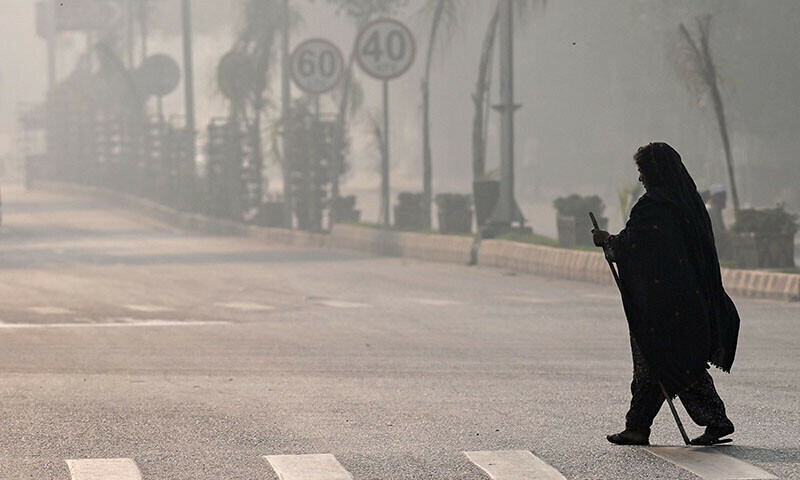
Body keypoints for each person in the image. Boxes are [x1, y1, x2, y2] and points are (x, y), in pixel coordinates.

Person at [592, 143, 741, 446]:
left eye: (642, 172)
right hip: (690, 298)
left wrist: (607, 241)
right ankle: (639, 425)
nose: (640, 179)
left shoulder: (654, 207)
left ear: (654, 173)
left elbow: (633, 246)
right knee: (666, 363)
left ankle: (709, 420)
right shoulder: (688, 203)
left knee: (667, 362)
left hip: (661, 305)